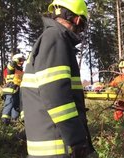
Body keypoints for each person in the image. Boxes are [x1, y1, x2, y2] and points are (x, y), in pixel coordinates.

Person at [20, 0, 96, 157]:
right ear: (77, 20)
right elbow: (56, 96)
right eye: (82, 26)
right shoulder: (55, 38)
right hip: (58, 147)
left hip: (51, 144)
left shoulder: (50, 39)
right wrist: (77, 141)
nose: (81, 31)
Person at [1, 53, 25, 125]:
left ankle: (15, 121)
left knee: (16, 107)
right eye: (20, 60)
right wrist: (13, 62)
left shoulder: (21, 71)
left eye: (23, 60)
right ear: (15, 60)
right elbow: (10, 67)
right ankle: (5, 121)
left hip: (18, 91)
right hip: (10, 90)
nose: (22, 62)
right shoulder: (11, 68)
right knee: (9, 104)